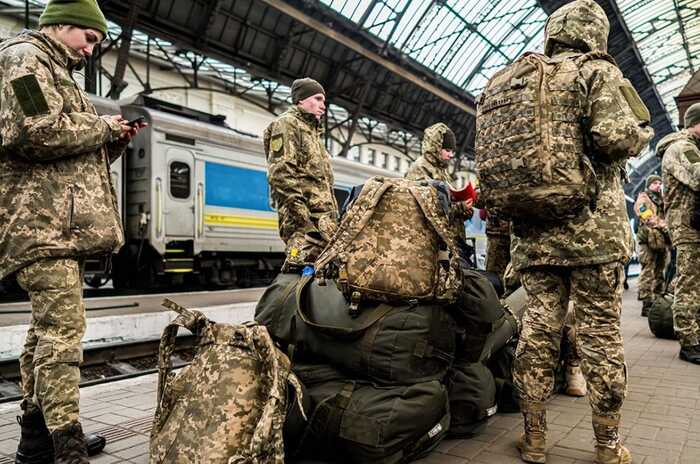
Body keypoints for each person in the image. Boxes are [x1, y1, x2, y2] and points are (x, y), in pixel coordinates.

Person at [502, 2, 653, 463]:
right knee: (600, 334)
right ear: (596, 34)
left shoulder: (518, 79)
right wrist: (642, 133)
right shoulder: (596, 73)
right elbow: (614, 139)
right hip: (592, 234)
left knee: (538, 329)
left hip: (533, 237)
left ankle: (534, 438)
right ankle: (607, 445)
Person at [0, 0, 145, 461]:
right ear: (63, 24)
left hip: (59, 226)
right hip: (40, 225)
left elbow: (75, 159)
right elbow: (35, 132)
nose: (91, 49)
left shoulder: (60, 72)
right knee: (63, 335)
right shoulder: (24, 59)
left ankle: (35, 440)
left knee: (45, 334)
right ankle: (67, 444)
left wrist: (112, 142)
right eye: (90, 38)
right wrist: (101, 126)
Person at [263, 78, 338, 272]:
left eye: (324, 101)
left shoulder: (313, 134)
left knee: (319, 279)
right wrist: (304, 220)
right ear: (300, 100)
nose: (323, 106)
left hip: (322, 224)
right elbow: (280, 174)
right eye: (318, 99)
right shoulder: (287, 125)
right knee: (298, 272)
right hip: (304, 227)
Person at [656, 103, 700, 365]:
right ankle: (689, 341)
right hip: (688, 228)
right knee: (689, 286)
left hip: (694, 226)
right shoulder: (683, 148)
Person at [405, 123, 473, 259]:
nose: (451, 155)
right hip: (430, 243)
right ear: (436, 146)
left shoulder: (441, 171)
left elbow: (447, 202)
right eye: (447, 150)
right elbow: (427, 208)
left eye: (453, 151)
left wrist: (464, 211)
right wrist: (460, 207)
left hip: (446, 241)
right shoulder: (420, 168)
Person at [634, 174, 669, 316]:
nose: (658, 185)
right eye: (654, 183)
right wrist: (663, 225)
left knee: (660, 271)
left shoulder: (662, 200)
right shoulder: (643, 198)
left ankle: (658, 300)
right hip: (647, 240)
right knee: (647, 270)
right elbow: (645, 214)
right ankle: (646, 302)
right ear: (648, 185)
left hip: (661, 241)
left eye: (659, 183)